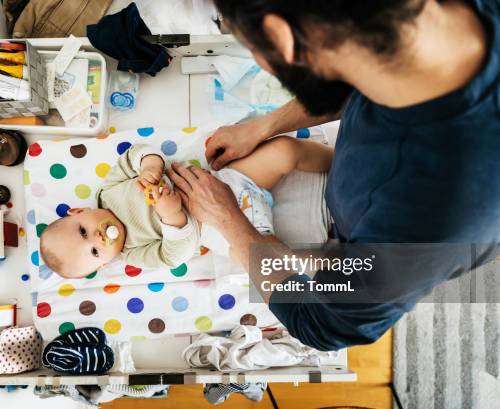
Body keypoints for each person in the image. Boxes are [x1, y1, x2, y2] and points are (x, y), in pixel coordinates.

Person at [168, 0, 500, 350]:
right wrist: (266, 125)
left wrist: (231, 224)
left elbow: (323, 325)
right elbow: (354, 71)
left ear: (280, 37)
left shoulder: (426, 215)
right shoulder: (416, 36)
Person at [40, 138, 332, 278]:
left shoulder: (108, 191)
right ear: (104, 264)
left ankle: (338, 159)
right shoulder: (133, 252)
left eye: (83, 231)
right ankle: (335, 265)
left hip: (227, 183)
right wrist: (171, 216)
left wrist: (150, 167)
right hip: (220, 231)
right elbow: (174, 255)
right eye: (94, 251)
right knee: (274, 262)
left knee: (283, 150)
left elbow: (135, 153)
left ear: (77, 211)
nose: (98, 238)